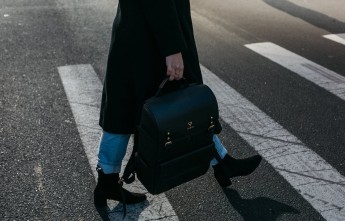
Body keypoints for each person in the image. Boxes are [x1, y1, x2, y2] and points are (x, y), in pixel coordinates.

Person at [94, 0, 263, 216]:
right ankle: (221, 162)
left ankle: (107, 181)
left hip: (139, 31)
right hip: (151, 38)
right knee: (182, 105)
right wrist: (172, 47)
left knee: (124, 109)